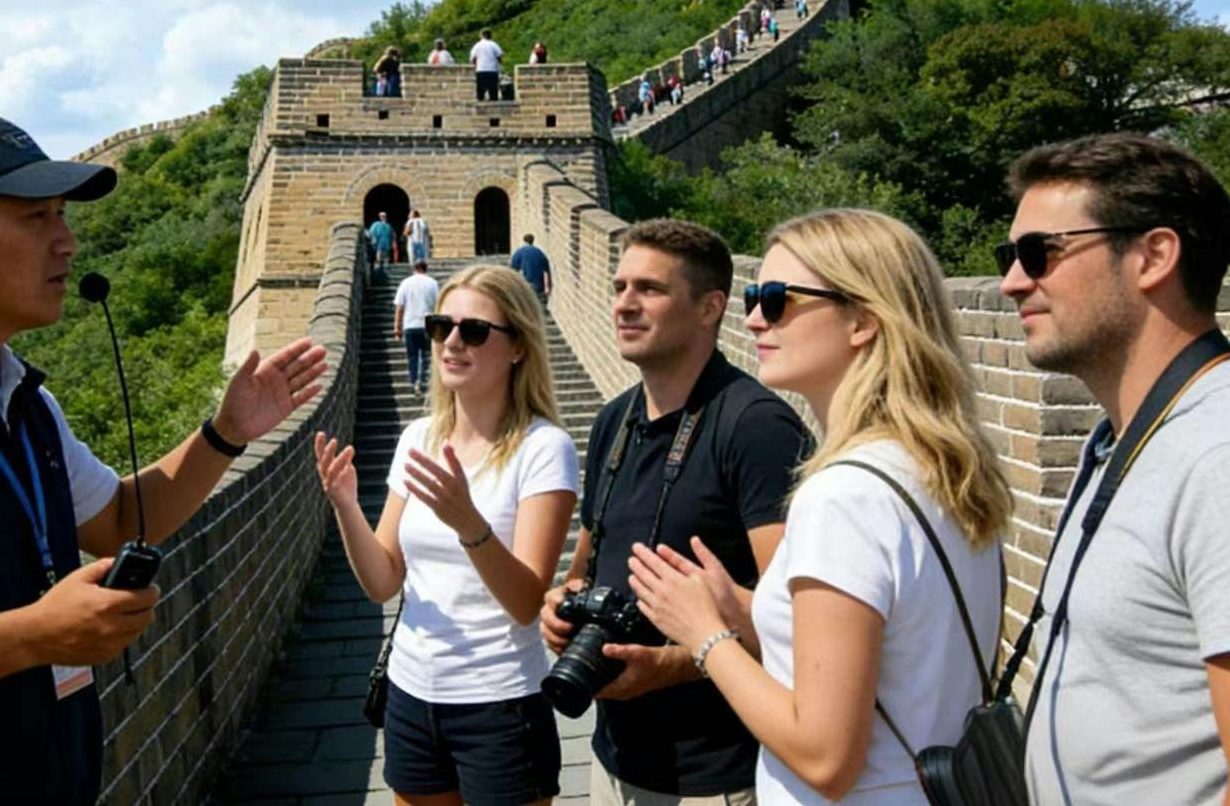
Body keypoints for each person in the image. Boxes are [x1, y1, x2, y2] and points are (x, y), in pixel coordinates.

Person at [0, 112, 328, 804]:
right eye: (37, 217)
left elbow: (120, 520)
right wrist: (32, 636)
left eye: (63, 217)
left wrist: (226, 432)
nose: (68, 242)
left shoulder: (17, 396)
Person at [628, 208, 1011, 803]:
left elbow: (826, 757)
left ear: (862, 320)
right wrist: (746, 611)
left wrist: (704, 636)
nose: (753, 318)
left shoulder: (844, 497)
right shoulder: (934, 467)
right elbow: (899, 653)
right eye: (755, 295)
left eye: (778, 299)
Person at [997, 133, 1230, 805]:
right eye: (1008, 257)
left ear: (1153, 255)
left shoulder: (1215, 457)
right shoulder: (1125, 436)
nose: (1014, 281)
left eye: (1040, 253)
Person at [540, 219, 807, 804]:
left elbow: (799, 624)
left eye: (649, 290)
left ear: (710, 307)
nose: (624, 305)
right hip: (614, 761)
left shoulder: (755, 427)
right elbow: (586, 562)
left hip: (717, 774)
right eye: (618, 288)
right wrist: (562, 606)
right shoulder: (615, 419)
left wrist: (675, 664)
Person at [316, 266, 578, 805]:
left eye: (475, 331)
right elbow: (383, 581)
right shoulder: (418, 436)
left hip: (500, 705)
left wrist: (470, 525)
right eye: (441, 326)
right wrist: (345, 506)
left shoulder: (544, 449)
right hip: (411, 695)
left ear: (518, 348)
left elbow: (527, 602)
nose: (452, 342)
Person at [394, 259, 440, 398]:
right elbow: (438, 306)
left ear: (414, 268)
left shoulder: (406, 283)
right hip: (428, 324)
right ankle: (425, 380)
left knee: (412, 357)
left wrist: (397, 328)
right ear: (425, 269)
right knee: (427, 356)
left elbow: (399, 308)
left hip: (410, 325)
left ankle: (415, 382)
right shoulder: (432, 283)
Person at [510, 234, 552, 303]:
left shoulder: (519, 253)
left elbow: (513, 272)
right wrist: (547, 288)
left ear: (524, 241)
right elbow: (546, 272)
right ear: (533, 241)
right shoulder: (540, 253)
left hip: (526, 287)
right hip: (539, 287)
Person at [469, 28, 504, 102]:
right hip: (492, 70)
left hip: (480, 70)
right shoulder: (494, 44)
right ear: (490, 36)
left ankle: (480, 105)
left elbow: (473, 58)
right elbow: (499, 56)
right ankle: (494, 106)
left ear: (481, 36)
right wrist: (501, 66)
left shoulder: (477, 45)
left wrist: (473, 67)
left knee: (480, 92)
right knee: (493, 92)